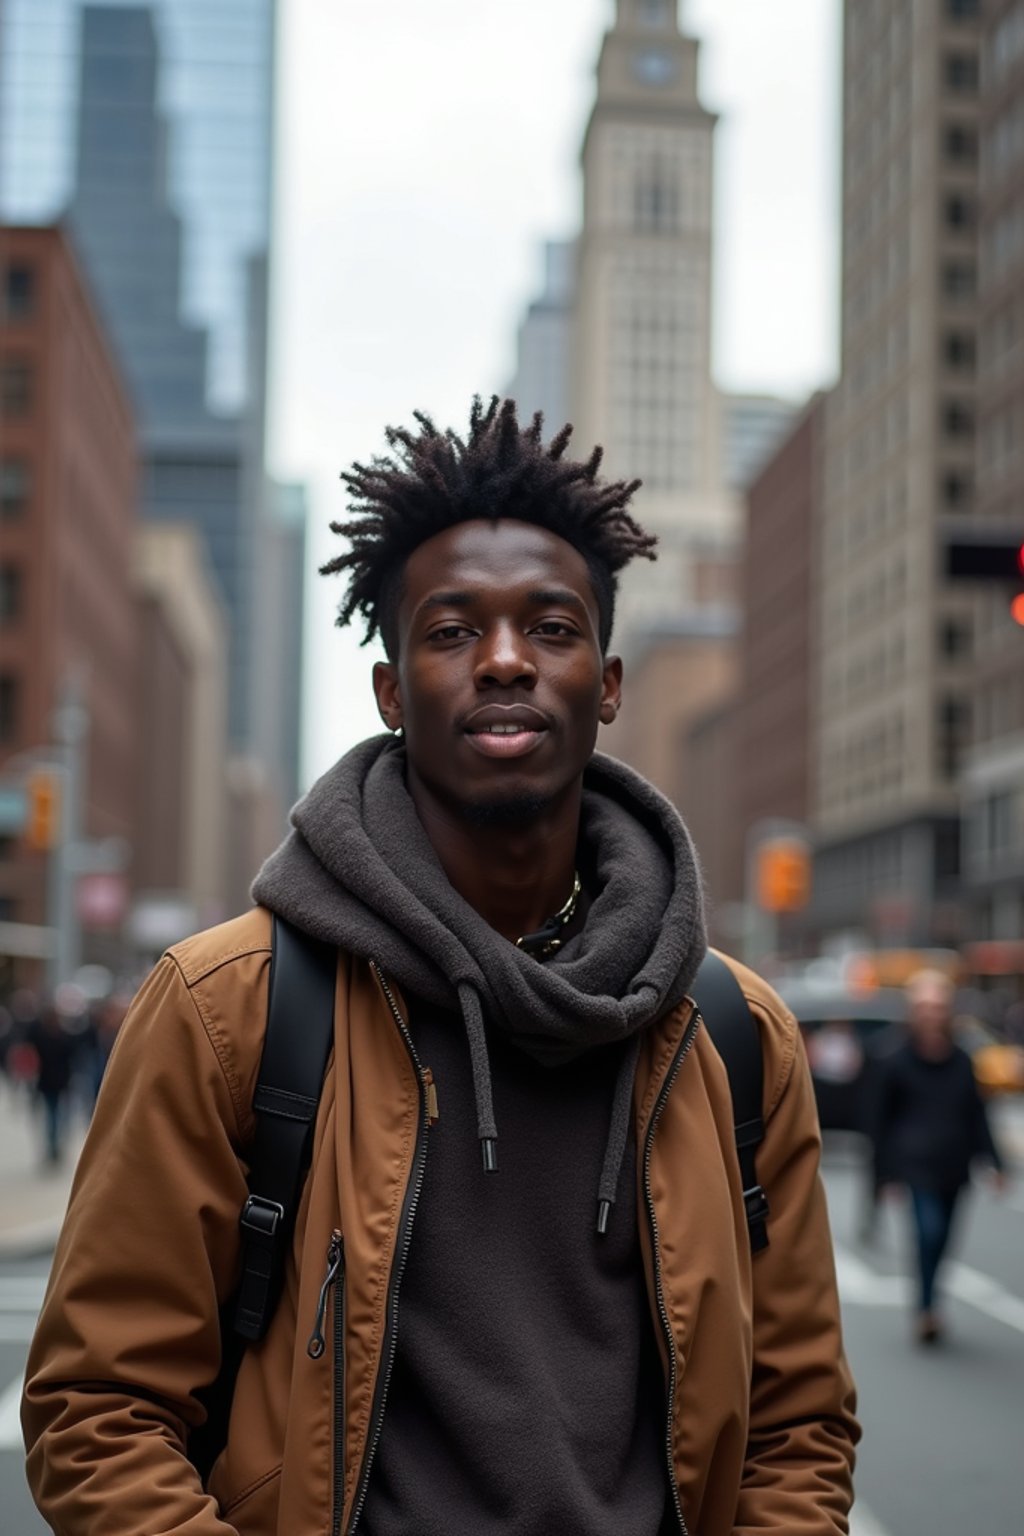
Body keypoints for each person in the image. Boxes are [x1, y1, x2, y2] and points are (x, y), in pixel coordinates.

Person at [23, 399, 858, 1535]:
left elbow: (797, 1426)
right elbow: (101, 1408)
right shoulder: (231, 1008)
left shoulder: (732, 1030)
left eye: (551, 629)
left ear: (606, 686)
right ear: (389, 689)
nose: (505, 659)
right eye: (454, 629)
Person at [869, 968, 1007, 1345]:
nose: (932, 1013)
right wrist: (882, 1177)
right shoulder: (893, 1059)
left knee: (944, 1237)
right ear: (913, 1010)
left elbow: (978, 1114)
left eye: (938, 1006)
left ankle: (931, 1301)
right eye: (925, 1006)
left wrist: (995, 1163)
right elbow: (878, 1123)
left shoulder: (963, 1059)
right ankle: (926, 1309)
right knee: (927, 1232)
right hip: (914, 1164)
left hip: (955, 1163)